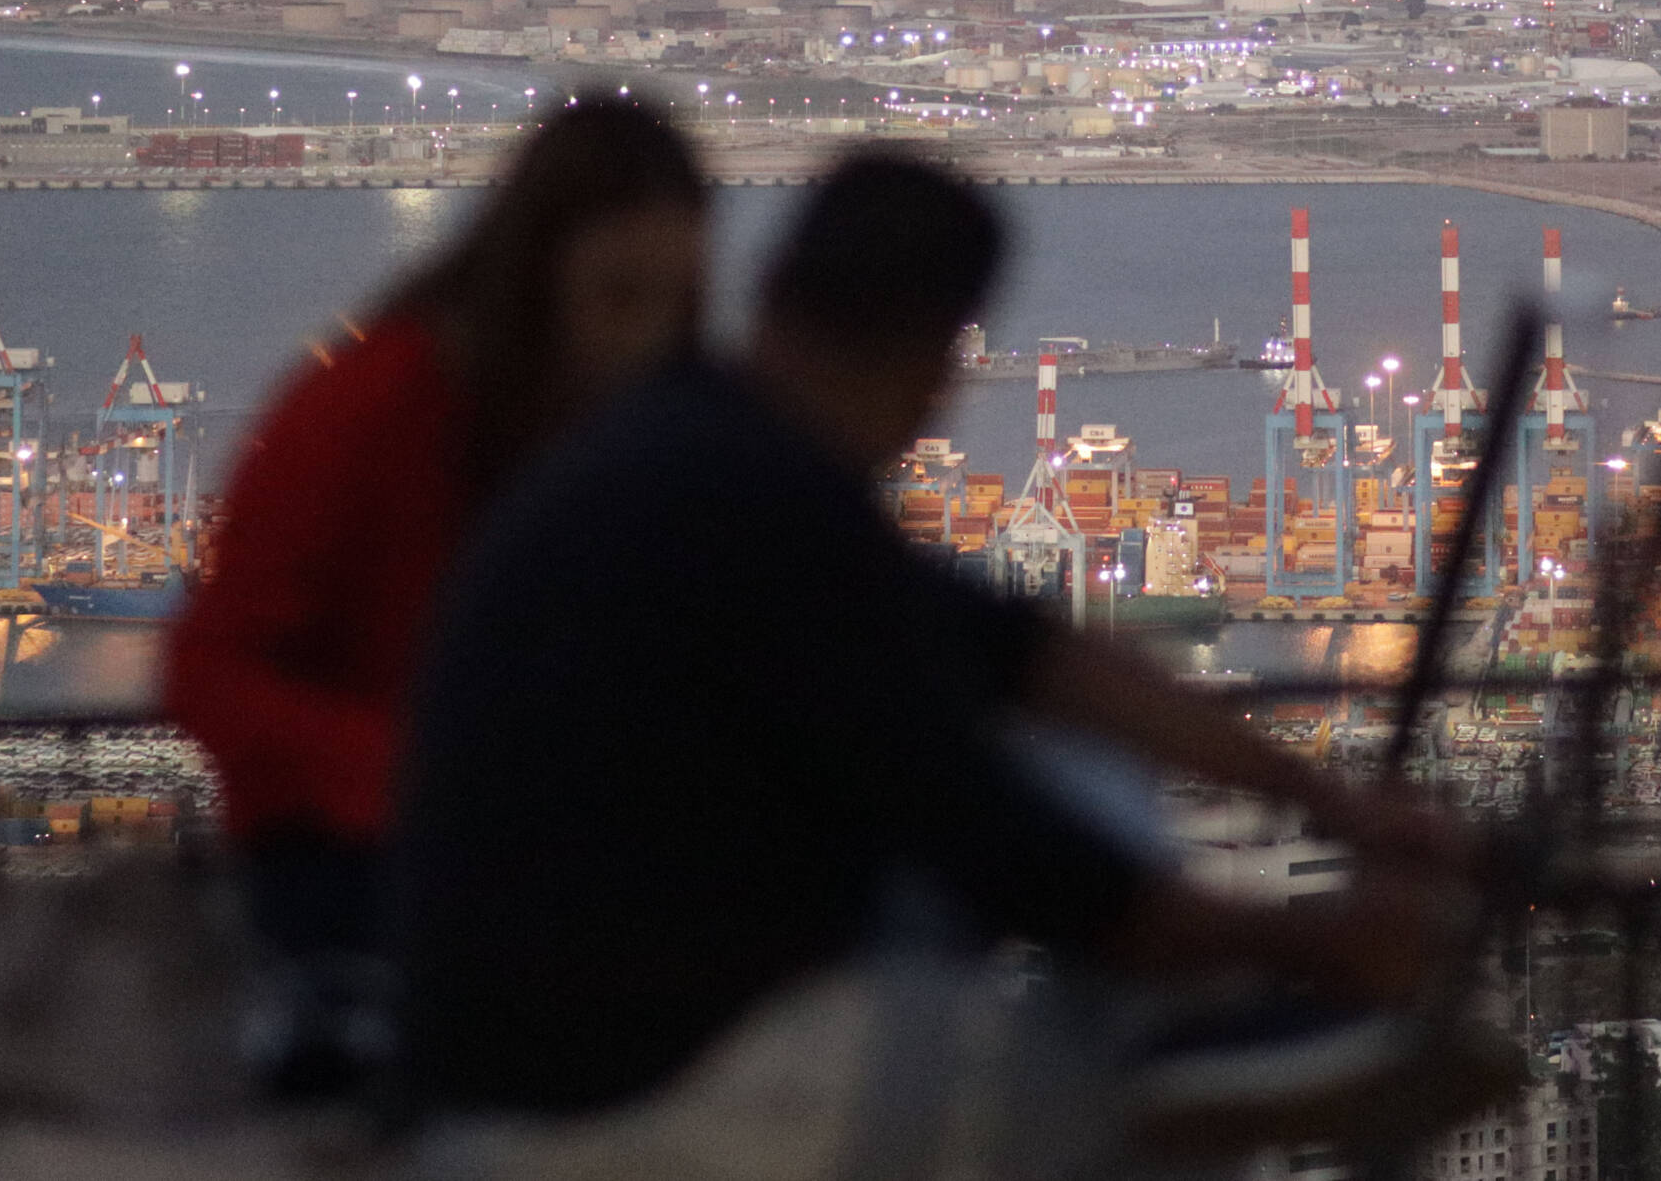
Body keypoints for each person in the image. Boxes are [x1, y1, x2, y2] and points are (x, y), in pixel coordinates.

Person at [393, 151, 1482, 1137]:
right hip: (603, 1096)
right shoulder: (770, 523)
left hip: (508, 1042)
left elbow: (1033, 657)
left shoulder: (700, 446)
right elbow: (1017, 855)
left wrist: (1325, 800)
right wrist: (1312, 946)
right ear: (937, 366)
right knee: (1068, 1094)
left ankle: (1181, 1038)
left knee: (1078, 779)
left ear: (768, 293)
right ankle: (1181, 1053)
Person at [164, 94, 709, 1100]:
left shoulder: (638, 432)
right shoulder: (366, 409)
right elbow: (209, 669)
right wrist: (408, 772)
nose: (641, 340)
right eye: (617, 297)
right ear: (537, 272)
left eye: (669, 307)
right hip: (354, 860)